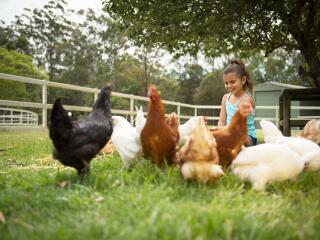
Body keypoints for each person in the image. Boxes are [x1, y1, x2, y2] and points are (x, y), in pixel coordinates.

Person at [217, 59, 257, 146]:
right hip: (230, 134)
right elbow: (222, 121)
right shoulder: (225, 98)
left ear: (243, 80)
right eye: (226, 83)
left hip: (247, 137)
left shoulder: (247, 99)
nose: (229, 86)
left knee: (238, 137)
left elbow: (239, 127)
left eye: (232, 82)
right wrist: (220, 135)